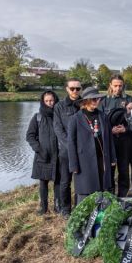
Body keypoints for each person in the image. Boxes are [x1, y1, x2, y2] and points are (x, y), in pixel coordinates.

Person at [68, 87, 116, 204]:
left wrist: (113, 157)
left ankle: (102, 213)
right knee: (86, 189)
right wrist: (73, 164)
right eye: (93, 99)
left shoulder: (103, 116)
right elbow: (71, 143)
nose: (96, 102)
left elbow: (109, 138)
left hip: (102, 159)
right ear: (86, 101)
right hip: (84, 161)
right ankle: (84, 217)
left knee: (103, 186)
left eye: (98, 99)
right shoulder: (75, 119)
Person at [98, 75, 132, 197]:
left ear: (123, 85)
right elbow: (99, 121)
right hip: (109, 141)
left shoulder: (130, 100)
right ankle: (109, 196)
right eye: (115, 85)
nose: (118, 88)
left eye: (120, 85)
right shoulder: (103, 101)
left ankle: (122, 196)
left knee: (124, 170)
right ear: (110, 85)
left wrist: (126, 129)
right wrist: (109, 130)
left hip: (125, 141)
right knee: (109, 170)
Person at [26, 90, 60, 215]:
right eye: (47, 101)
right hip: (43, 156)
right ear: (43, 102)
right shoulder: (37, 117)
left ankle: (58, 207)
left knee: (58, 182)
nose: (49, 103)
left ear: (55, 100)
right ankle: (44, 208)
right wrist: (39, 149)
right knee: (43, 183)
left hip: (58, 155)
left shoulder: (59, 116)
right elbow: (30, 136)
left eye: (51, 100)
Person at [53, 78, 82, 219]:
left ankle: (79, 206)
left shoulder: (85, 103)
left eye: (78, 88)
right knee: (65, 181)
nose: (75, 91)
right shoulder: (59, 107)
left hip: (83, 151)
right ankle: (66, 209)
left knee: (80, 181)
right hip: (66, 152)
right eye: (72, 88)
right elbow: (58, 129)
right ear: (67, 89)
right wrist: (71, 147)